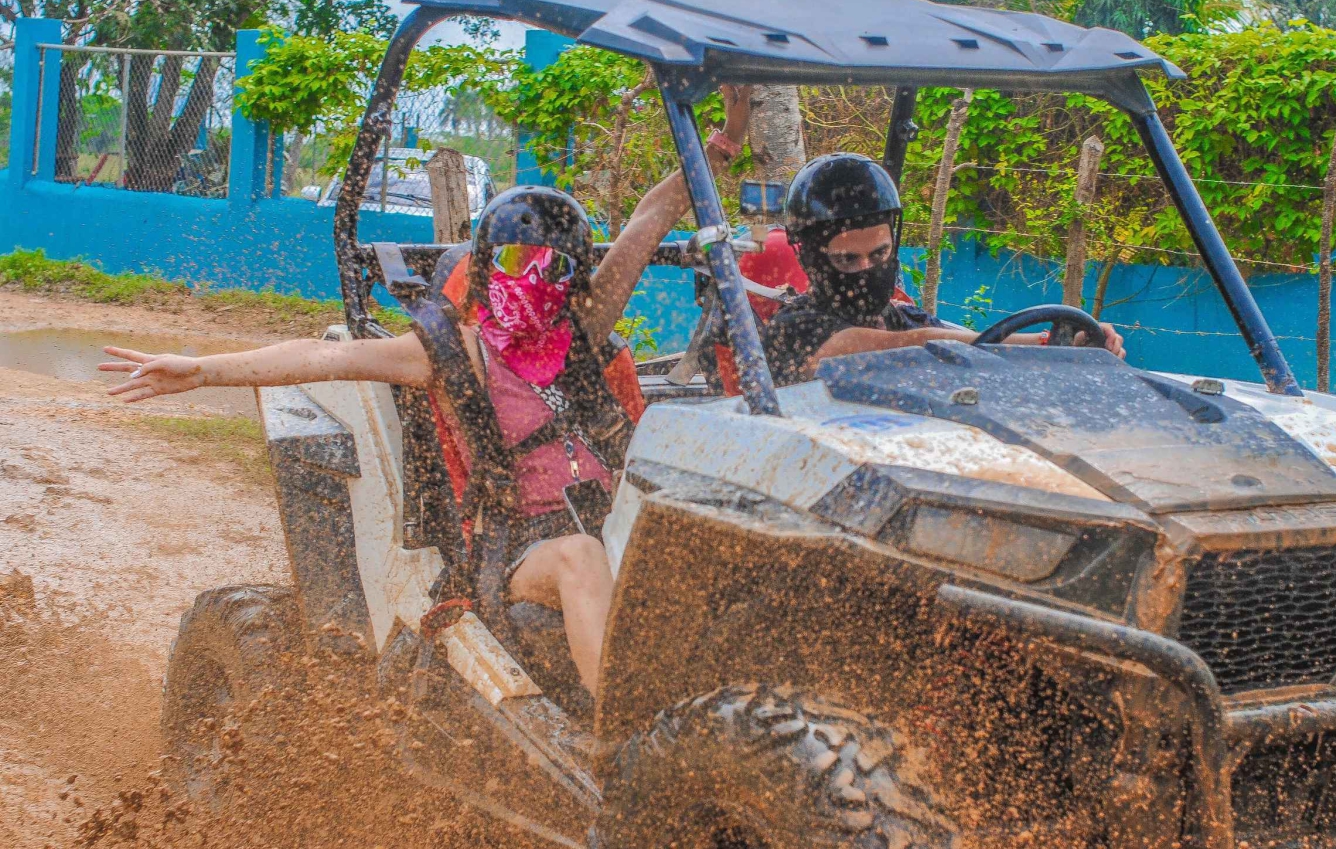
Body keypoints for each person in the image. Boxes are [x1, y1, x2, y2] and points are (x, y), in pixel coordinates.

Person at [98, 87, 752, 697]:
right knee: (582, 558)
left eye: (556, 265)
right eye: (518, 261)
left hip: (615, 521)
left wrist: (726, 138)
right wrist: (204, 369)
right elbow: (328, 356)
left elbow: (651, 217)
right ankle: (628, 744)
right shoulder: (454, 351)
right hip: (526, 546)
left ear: (578, 276)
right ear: (487, 266)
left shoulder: (582, 329)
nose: (537, 278)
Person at [761, 152, 1126, 386]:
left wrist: (1064, 343)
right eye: (847, 260)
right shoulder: (793, 329)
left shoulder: (903, 317)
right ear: (812, 260)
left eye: (879, 254)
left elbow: (980, 341)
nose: (867, 270)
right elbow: (907, 346)